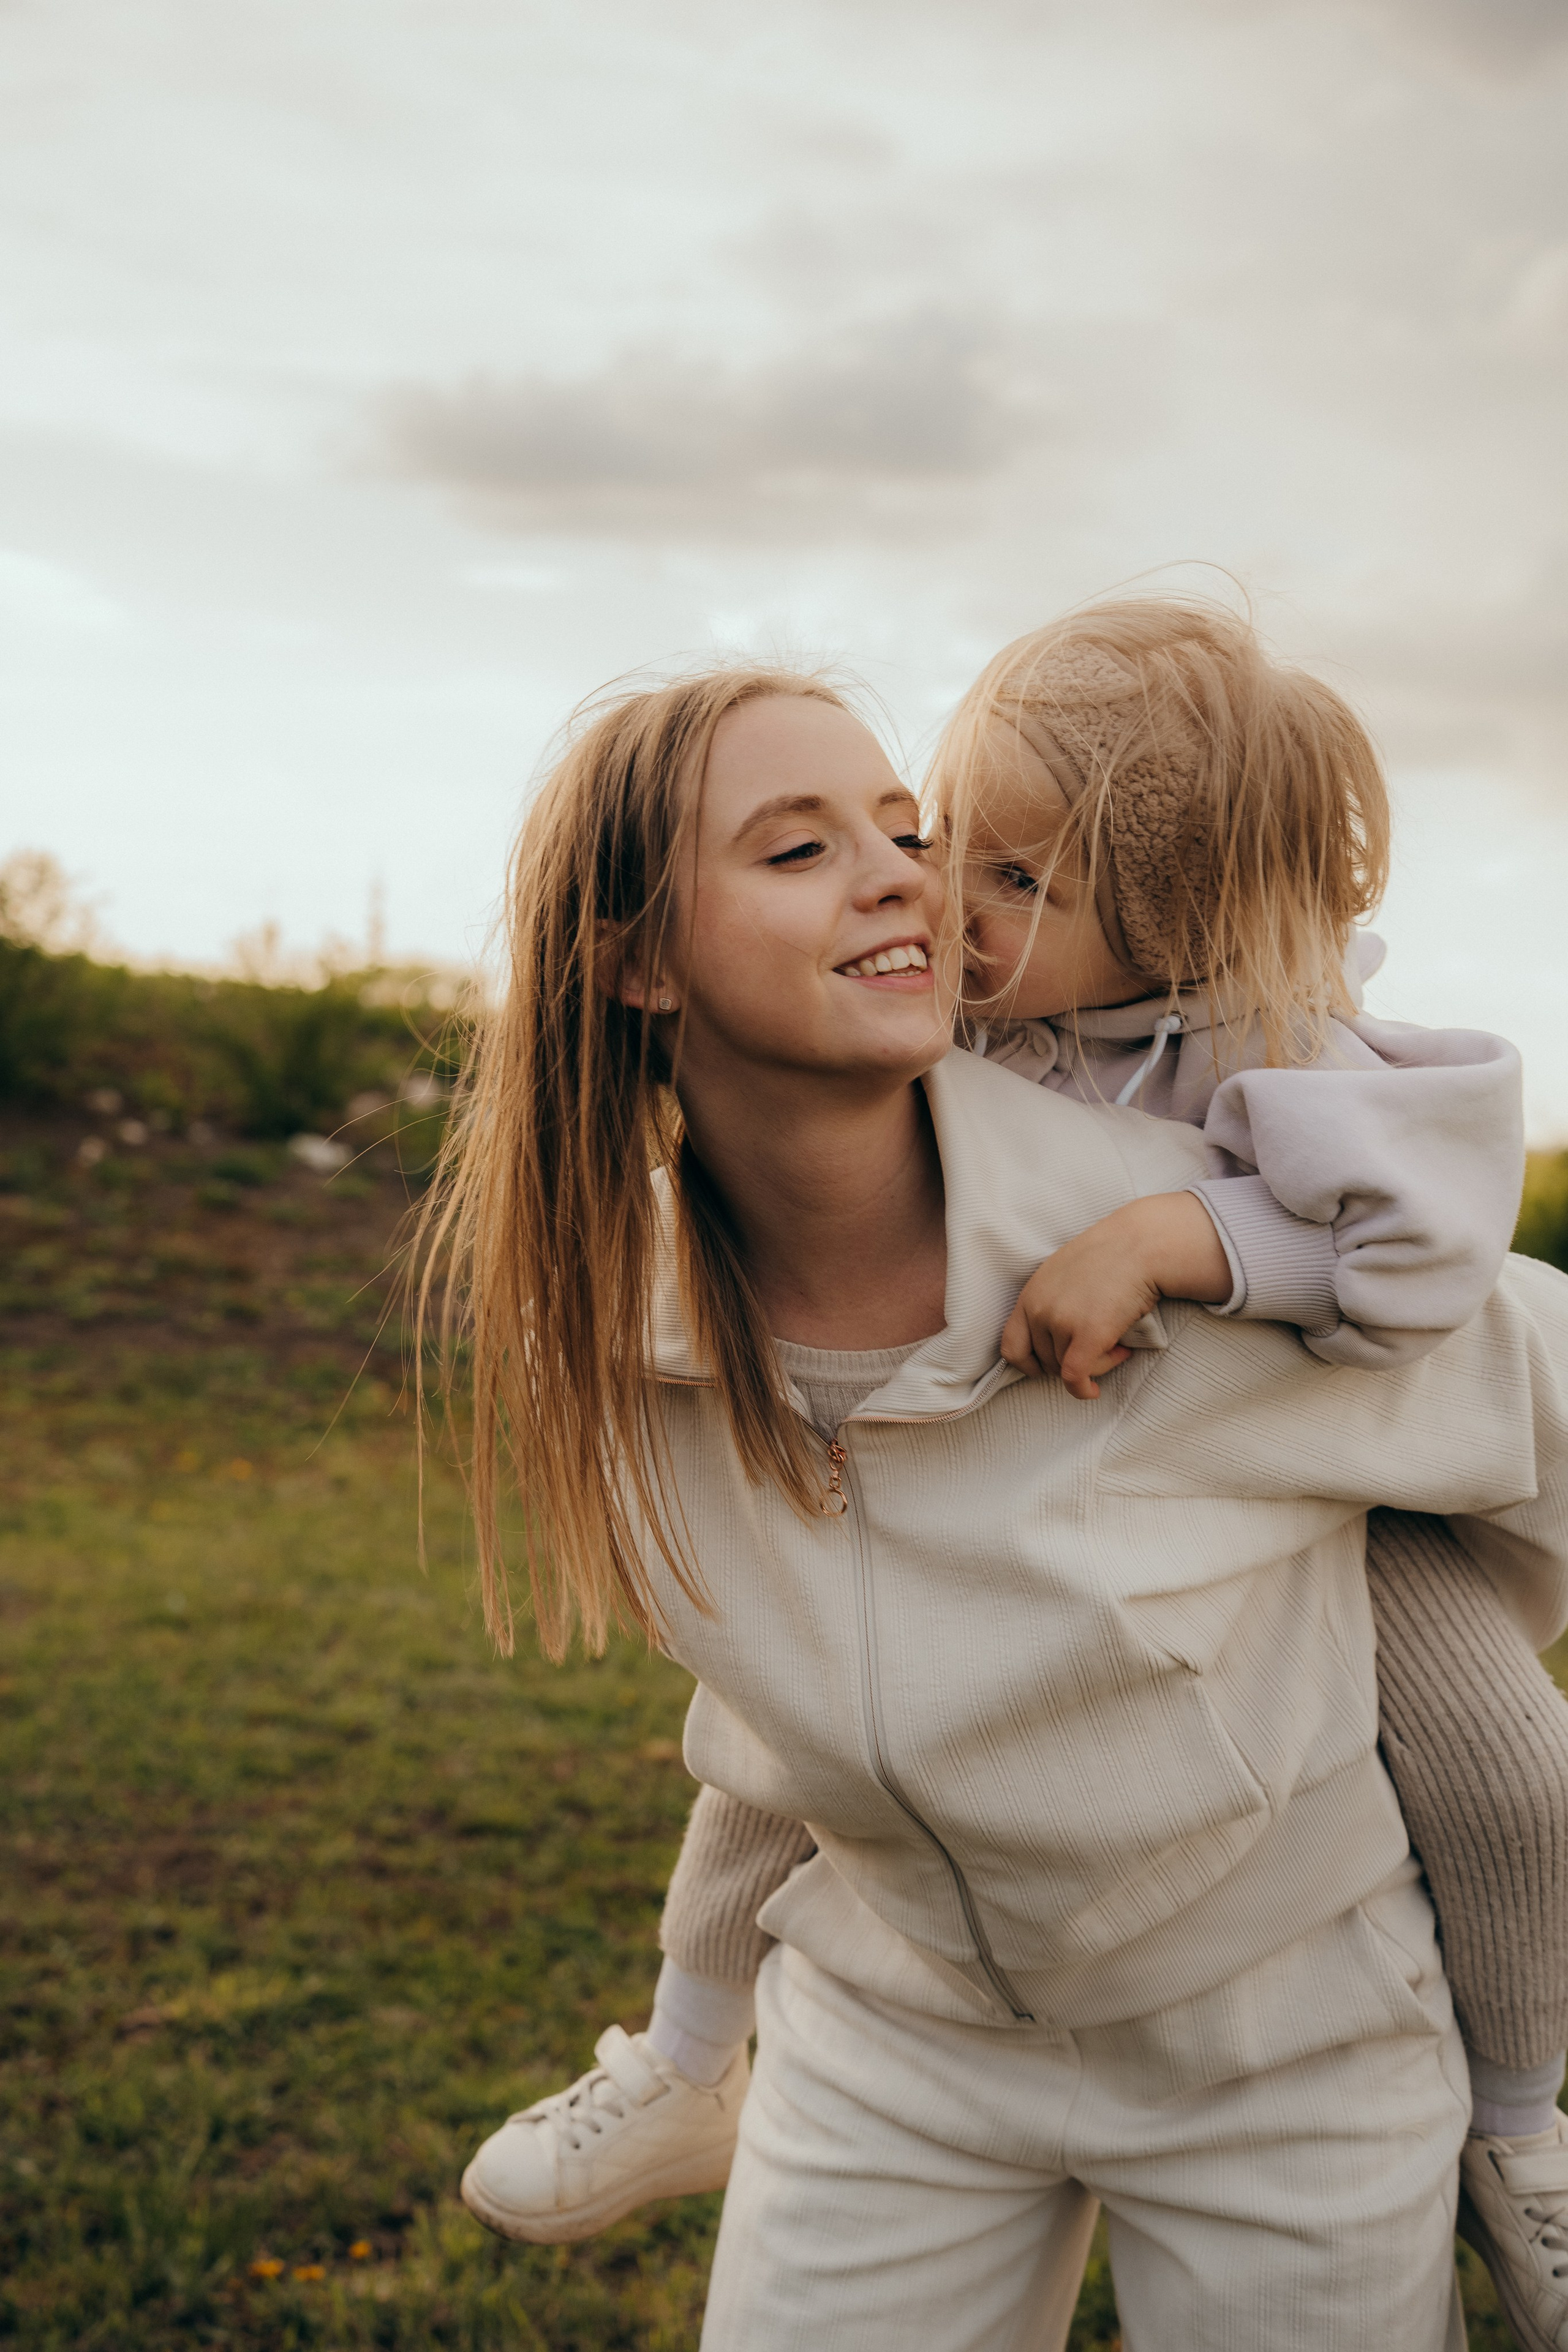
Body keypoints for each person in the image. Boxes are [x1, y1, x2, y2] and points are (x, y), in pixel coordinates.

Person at [437, 653, 1568, 2348]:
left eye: (907, 825)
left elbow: (1523, 1391)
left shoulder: (1195, 1245)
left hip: (1290, 2047)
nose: (907, 870)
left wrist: (1370, 1585)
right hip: (888, 2031)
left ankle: (1525, 2124)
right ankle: (678, 2067)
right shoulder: (617, 1320)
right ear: (638, 961)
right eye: (801, 847)